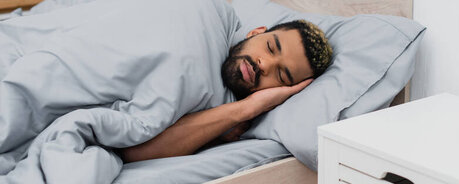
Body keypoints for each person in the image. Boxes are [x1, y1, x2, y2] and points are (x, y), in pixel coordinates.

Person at [119, 20, 333, 162]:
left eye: (281, 75)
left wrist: (246, 109)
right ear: (256, 32)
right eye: (269, 47)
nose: (264, 64)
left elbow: (133, 149)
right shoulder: (205, 25)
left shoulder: (233, 118)